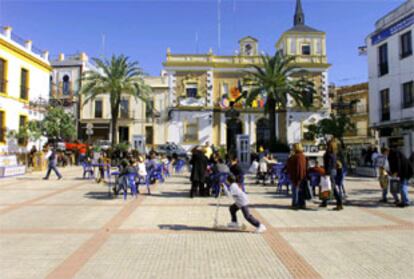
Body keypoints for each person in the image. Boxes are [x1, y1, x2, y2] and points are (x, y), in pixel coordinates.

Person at [320, 139, 343, 210]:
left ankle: (339, 204)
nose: (326, 146)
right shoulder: (333, 153)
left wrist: (326, 173)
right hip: (333, 171)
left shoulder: (329, 154)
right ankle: (324, 202)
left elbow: (328, 165)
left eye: (327, 145)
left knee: (332, 188)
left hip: (329, 172)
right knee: (327, 187)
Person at [286, 143, 307, 209]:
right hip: (302, 175)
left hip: (296, 176)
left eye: (293, 147)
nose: (292, 148)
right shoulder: (302, 156)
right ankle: (302, 204)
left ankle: (295, 204)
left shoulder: (296, 156)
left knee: (295, 191)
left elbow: (296, 166)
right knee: (300, 191)